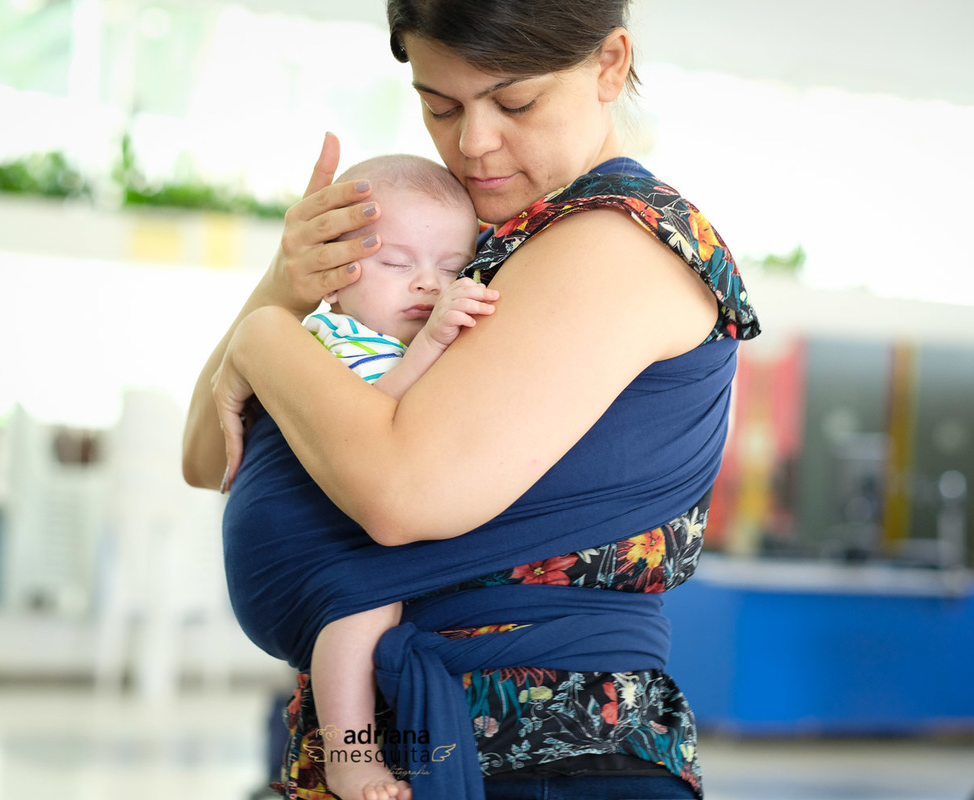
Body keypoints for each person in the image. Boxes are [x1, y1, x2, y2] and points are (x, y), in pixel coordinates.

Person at [183, 2, 761, 798]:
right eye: (440, 105)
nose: (472, 143)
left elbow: (400, 493)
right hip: (393, 740)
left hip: (548, 757)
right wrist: (288, 283)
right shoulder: (462, 242)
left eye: (515, 102)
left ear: (609, 64)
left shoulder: (620, 239)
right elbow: (209, 455)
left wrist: (263, 339)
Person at [301, 154, 496, 800]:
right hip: (330, 545)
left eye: (451, 268)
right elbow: (370, 419)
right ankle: (348, 757)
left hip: (383, 537)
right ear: (333, 280)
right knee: (361, 615)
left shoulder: (389, 337)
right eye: (396, 264)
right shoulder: (336, 338)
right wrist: (434, 345)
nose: (428, 286)